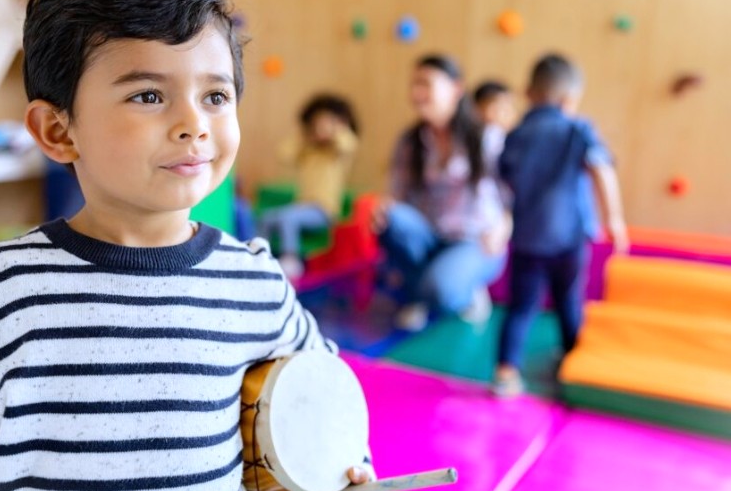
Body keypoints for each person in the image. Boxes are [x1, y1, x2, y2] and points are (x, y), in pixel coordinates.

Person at [0, 0, 371, 491]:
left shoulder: (256, 284)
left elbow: (325, 402)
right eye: (148, 96)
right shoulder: (3, 288)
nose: (194, 124)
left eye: (215, 96)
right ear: (57, 130)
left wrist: (340, 471)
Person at [493, 53, 628, 397]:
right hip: (568, 238)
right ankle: (573, 365)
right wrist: (613, 218)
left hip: (526, 239)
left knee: (521, 307)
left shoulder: (517, 135)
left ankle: (506, 371)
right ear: (570, 99)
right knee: (569, 302)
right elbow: (602, 169)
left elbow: (504, 183)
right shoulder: (577, 129)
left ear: (528, 92)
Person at [372, 55, 510, 331]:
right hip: (430, 237)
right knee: (391, 220)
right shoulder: (410, 141)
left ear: (456, 89)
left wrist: (504, 226)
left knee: (442, 291)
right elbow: (398, 195)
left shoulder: (486, 137)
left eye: (425, 84)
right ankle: (421, 292)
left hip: (474, 241)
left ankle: (455, 290)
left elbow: (512, 193)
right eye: (414, 85)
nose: (416, 94)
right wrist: (385, 210)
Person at [259, 94, 359, 279]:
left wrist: (336, 128)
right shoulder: (307, 151)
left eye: (327, 121)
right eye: (317, 122)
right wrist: (304, 135)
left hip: (324, 211)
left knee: (288, 218)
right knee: (267, 218)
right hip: (302, 206)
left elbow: (349, 143)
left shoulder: (336, 153)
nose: (321, 127)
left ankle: (291, 262)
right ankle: (259, 257)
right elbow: (284, 154)